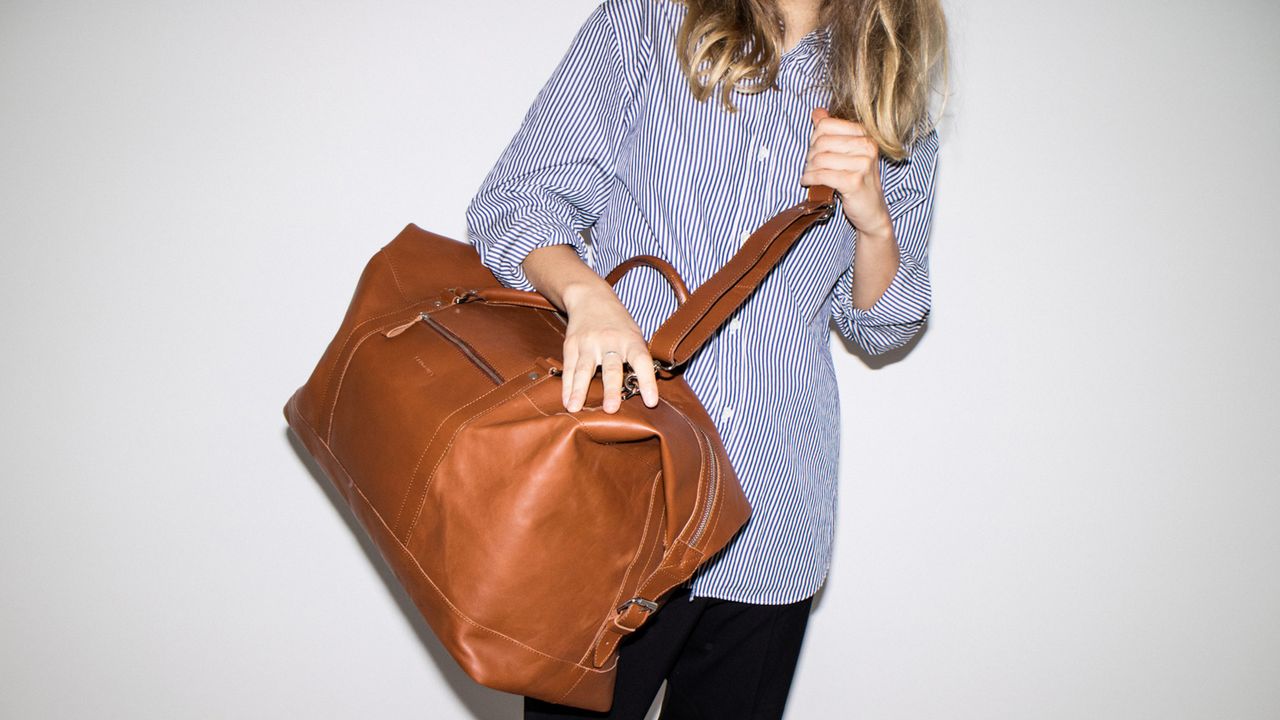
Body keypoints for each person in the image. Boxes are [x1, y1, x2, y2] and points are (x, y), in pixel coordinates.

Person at [466, 0, 948, 717]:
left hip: (772, 512)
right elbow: (516, 204)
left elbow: (883, 324)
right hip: (621, 503)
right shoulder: (648, 22)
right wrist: (588, 297)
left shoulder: (888, 97)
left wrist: (872, 220)